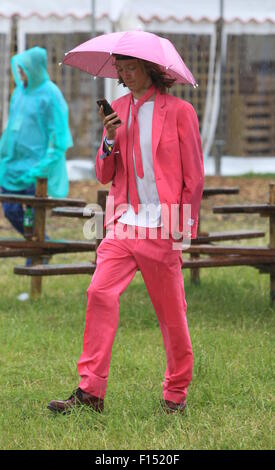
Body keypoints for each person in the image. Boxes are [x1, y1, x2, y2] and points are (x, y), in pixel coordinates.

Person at [48, 55, 204, 414]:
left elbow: (194, 177)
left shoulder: (180, 111)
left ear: (150, 69)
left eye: (129, 67)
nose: (123, 74)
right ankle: (90, 391)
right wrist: (110, 137)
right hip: (123, 222)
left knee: (171, 314)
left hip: (163, 226)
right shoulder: (116, 111)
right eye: (119, 68)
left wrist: (181, 229)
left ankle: (176, 393)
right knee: (99, 292)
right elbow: (104, 173)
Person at [0, 46, 73, 247]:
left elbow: (58, 134)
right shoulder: (20, 92)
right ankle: (39, 245)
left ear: (34, 68)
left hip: (35, 167)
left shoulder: (50, 95)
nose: (20, 72)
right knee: (10, 210)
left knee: (32, 212)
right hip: (13, 166)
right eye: (19, 67)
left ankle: (38, 250)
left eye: (24, 67)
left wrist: (45, 164)